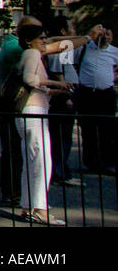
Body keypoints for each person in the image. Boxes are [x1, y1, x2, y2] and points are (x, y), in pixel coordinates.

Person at [16, 23, 71, 225]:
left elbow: (33, 84)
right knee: (41, 161)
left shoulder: (29, 54)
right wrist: (56, 83)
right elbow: (30, 80)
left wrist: (53, 91)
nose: (44, 42)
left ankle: (28, 205)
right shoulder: (32, 54)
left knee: (32, 161)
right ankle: (40, 208)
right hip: (33, 112)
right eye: (41, 38)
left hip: (30, 110)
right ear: (30, 40)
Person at [75, 24, 118, 174]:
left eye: (108, 35)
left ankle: (107, 161)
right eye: (102, 34)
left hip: (106, 94)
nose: (105, 37)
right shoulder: (85, 48)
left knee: (108, 129)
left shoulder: (115, 52)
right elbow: (69, 61)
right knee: (88, 130)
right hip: (87, 94)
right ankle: (91, 162)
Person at [45, 16, 78, 186]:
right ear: (63, 31)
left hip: (67, 93)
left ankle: (61, 169)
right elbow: (58, 73)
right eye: (71, 27)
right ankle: (59, 171)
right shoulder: (60, 50)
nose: (74, 30)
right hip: (63, 96)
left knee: (64, 136)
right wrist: (66, 96)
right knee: (61, 136)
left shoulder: (65, 48)